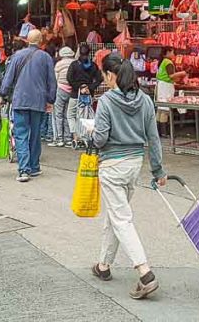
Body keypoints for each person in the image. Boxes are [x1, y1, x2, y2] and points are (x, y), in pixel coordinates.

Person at [91, 55, 167, 300]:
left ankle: (145, 273)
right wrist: (158, 170)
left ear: (111, 76)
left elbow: (100, 139)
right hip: (135, 164)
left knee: (121, 218)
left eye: (104, 75)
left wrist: (89, 133)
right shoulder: (145, 100)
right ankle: (103, 265)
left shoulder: (106, 102)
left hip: (112, 165)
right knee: (115, 215)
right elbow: (153, 138)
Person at [0, 29, 56, 183]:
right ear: (41, 40)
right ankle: (34, 166)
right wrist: (51, 99)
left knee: (21, 134)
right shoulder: (46, 58)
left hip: (20, 100)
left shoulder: (17, 56)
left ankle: (24, 169)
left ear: (27, 40)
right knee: (35, 134)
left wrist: (2, 95)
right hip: (38, 101)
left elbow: (8, 78)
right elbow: (52, 81)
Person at [66, 43, 102, 147]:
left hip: (75, 94)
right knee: (87, 116)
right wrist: (89, 87)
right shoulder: (93, 66)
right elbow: (99, 79)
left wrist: (79, 87)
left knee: (71, 115)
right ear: (89, 53)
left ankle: (75, 136)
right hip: (88, 95)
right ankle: (87, 137)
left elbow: (69, 79)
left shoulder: (74, 65)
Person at [50, 45, 75, 147]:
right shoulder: (74, 63)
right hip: (71, 90)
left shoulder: (59, 64)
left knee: (58, 115)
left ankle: (59, 139)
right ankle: (68, 138)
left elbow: (54, 79)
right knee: (67, 114)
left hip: (60, 89)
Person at [154, 46, 177, 135]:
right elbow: (171, 76)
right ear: (168, 52)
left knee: (160, 108)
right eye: (172, 52)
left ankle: (157, 131)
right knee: (165, 109)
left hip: (161, 86)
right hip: (166, 86)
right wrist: (182, 73)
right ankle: (164, 132)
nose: (174, 54)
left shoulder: (162, 61)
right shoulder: (168, 62)